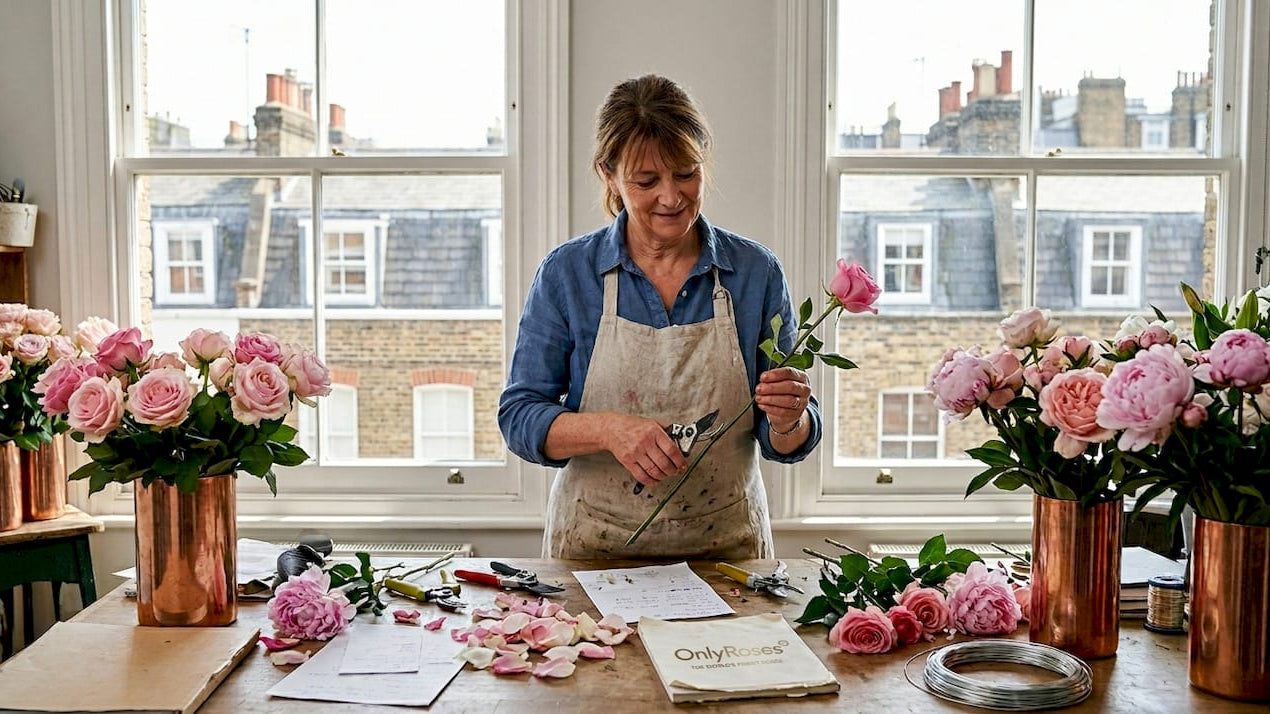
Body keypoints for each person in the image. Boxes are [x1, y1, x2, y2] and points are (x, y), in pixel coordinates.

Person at [499, 74, 821, 559]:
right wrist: (607, 430)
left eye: (686, 173)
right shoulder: (569, 274)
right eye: (646, 181)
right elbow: (520, 415)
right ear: (608, 175)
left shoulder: (755, 274)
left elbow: (785, 439)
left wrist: (788, 417)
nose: (671, 197)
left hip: (728, 556)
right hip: (594, 551)